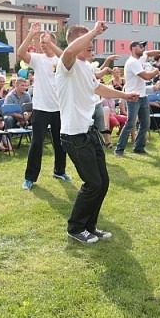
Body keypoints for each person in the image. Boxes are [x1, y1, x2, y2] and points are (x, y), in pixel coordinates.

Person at [56, 21, 138, 244]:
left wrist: (124, 95)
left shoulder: (86, 67)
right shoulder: (67, 64)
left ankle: (90, 226)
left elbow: (97, 88)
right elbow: (70, 50)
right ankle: (75, 227)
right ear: (74, 42)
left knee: (103, 182)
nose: (92, 45)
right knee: (92, 184)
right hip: (73, 135)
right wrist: (94, 31)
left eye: (93, 42)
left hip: (89, 131)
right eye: (88, 42)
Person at [18, 22, 70, 190]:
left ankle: (59, 171)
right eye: (41, 41)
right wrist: (31, 34)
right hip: (41, 108)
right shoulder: (38, 59)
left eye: (45, 40)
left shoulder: (60, 59)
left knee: (60, 142)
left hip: (59, 108)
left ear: (52, 42)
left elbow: (66, 57)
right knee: (36, 143)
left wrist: (50, 42)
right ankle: (30, 177)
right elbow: (20, 53)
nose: (42, 43)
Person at [114, 40, 159, 156]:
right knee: (130, 124)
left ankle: (139, 147)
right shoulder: (132, 62)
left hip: (142, 97)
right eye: (140, 46)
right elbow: (146, 76)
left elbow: (148, 53)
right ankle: (119, 149)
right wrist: (156, 71)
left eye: (143, 46)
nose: (143, 48)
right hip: (133, 97)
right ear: (133, 48)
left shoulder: (140, 59)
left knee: (145, 123)